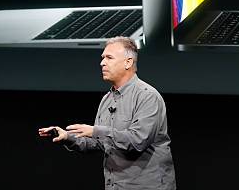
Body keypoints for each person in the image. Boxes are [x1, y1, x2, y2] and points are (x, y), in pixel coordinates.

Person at [38, 36, 176, 189]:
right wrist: (68, 138)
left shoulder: (147, 96)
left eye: (109, 57)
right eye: (103, 58)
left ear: (128, 62)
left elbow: (137, 141)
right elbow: (98, 143)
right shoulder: (107, 99)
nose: (102, 62)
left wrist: (96, 130)